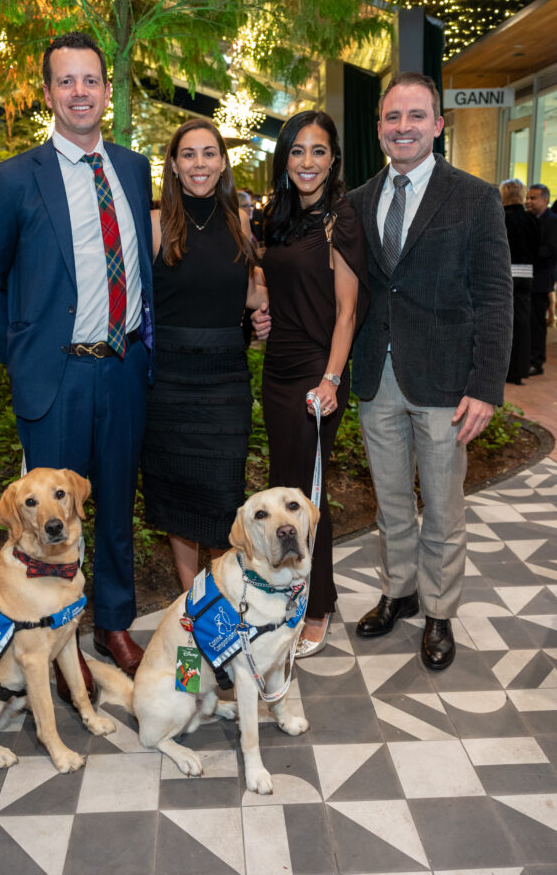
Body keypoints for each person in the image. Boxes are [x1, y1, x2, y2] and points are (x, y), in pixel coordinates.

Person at [0, 31, 155, 680]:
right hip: (56, 377)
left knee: (113, 507)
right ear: (47, 93)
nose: (80, 91)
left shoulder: (133, 169)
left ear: (107, 90)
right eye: (66, 81)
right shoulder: (15, 178)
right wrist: (20, 354)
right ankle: (57, 633)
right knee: (50, 519)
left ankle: (113, 624)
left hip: (124, 369)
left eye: (90, 80)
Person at [349, 71, 512, 671]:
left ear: (437, 126)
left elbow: (496, 296)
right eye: (393, 118)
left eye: (416, 116)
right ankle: (400, 592)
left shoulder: (473, 197)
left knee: (443, 507)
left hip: (446, 382)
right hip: (377, 376)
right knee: (391, 503)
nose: (403, 128)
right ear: (381, 127)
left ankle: (439, 611)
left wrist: (485, 386)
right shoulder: (360, 200)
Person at [256, 110, 369, 657]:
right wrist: (262, 318)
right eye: (297, 151)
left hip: (315, 376)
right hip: (275, 370)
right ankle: (292, 587)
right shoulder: (278, 219)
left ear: (333, 160)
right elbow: (277, 291)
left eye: (319, 151)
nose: (307, 162)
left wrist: (331, 379)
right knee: (285, 489)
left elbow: (347, 312)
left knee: (307, 496)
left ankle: (318, 603)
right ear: (285, 159)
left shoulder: (339, 220)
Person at [141, 119, 267, 590]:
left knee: (222, 499)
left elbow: (250, 289)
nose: (199, 163)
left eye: (209, 153)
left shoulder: (239, 220)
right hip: (170, 384)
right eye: (189, 154)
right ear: (173, 165)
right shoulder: (155, 224)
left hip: (226, 383)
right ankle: (194, 608)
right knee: (180, 505)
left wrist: (263, 309)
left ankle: (225, 608)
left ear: (222, 162)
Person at [499, 179, 539, 385]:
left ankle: (505, 369)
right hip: (527, 275)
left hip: (506, 274)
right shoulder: (531, 219)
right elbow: (537, 248)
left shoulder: (501, 217)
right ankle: (520, 370)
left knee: (503, 322)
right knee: (523, 323)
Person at [525, 183, 557, 375]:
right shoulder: (529, 219)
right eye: (527, 198)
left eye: (533, 198)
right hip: (529, 277)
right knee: (528, 321)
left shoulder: (552, 221)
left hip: (541, 278)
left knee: (537, 322)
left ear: (545, 200)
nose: (528, 202)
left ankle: (537, 360)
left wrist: (527, 253)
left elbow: (551, 250)